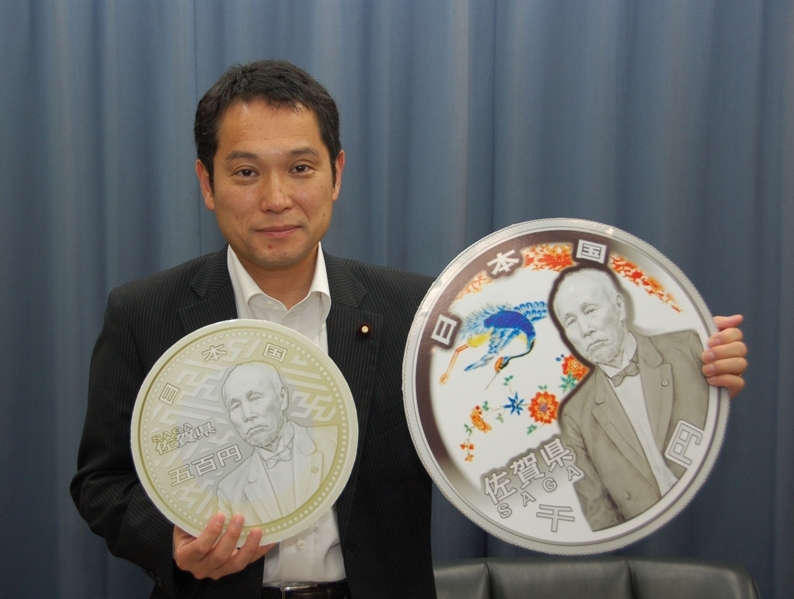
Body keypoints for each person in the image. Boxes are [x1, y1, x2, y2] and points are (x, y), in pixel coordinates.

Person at [70, 59, 747, 599]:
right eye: (245, 172)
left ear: (336, 173)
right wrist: (171, 542)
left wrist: (687, 362)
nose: (275, 198)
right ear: (206, 182)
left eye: (300, 168)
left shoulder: (419, 314)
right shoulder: (145, 312)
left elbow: (532, 398)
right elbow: (101, 483)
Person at [550, 266, 744, 531]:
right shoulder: (576, 414)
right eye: (570, 321)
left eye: (590, 310)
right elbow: (598, 512)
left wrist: (722, 379)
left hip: (717, 521)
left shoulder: (689, 348)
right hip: (646, 545)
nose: (585, 329)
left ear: (619, 307)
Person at [217, 362, 338, 525]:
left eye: (255, 398)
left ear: (283, 397)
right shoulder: (229, 489)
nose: (247, 414)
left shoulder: (335, 442)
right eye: (235, 406)